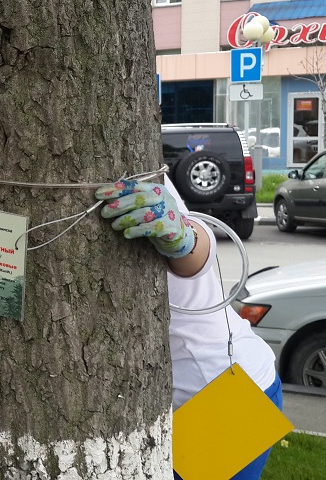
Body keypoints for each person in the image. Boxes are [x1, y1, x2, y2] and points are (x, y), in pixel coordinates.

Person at [95, 177, 281, 480]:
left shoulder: (141, 173)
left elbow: (195, 248)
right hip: (199, 398)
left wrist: (183, 238)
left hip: (224, 398)